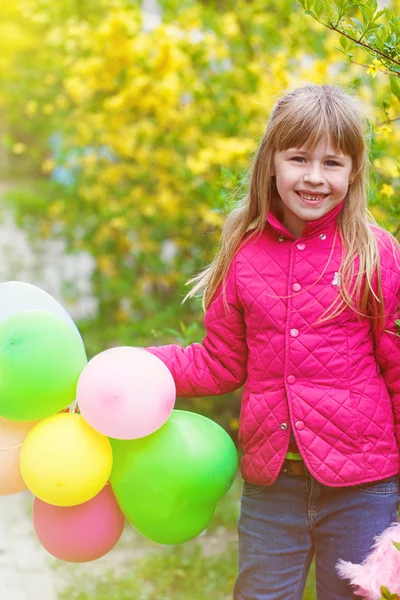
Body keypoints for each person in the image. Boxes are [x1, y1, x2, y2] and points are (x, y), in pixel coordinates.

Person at [145, 83, 400, 599]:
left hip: (364, 485)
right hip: (271, 486)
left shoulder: (374, 254)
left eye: (332, 163)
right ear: (271, 164)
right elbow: (219, 362)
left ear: (354, 172)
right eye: (298, 158)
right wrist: (134, 368)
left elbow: (396, 368)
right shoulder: (243, 252)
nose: (313, 177)